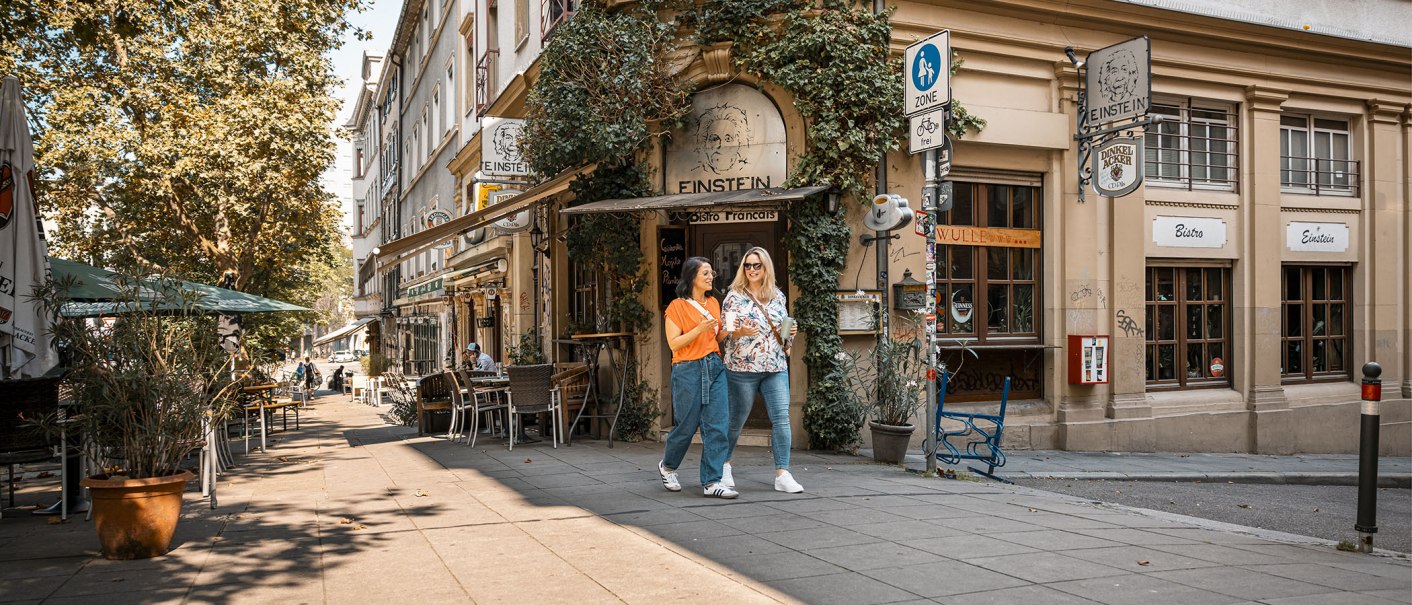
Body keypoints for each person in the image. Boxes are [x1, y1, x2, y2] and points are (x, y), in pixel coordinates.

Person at [720, 247, 803, 493]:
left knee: (781, 419)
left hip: (775, 366)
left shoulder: (777, 296)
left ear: (766, 268)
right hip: (741, 368)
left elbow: (782, 333)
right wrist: (740, 332)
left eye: (757, 265)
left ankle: (782, 473)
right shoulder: (734, 296)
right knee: (736, 420)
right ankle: (723, 466)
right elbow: (723, 333)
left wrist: (791, 336)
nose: (752, 270)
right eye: (748, 265)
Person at [658, 257, 737, 499]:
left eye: (711, 273)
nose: (711, 277)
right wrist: (698, 329)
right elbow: (674, 343)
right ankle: (668, 466)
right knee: (686, 426)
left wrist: (729, 330)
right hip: (687, 369)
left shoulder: (714, 303)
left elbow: (715, 339)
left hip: (714, 366)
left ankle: (712, 482)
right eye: (705, 273)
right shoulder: (676, 307)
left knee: (717, 426)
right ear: (692, 277)